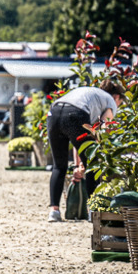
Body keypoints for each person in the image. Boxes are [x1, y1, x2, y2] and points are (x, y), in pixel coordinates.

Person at [46, 79, 124, 222]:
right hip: (76, 114)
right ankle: (92, 211)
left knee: (59, 166)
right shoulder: (110, 101)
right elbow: (100, 131)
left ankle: (54, 211)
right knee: (93, 166)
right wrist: (85, 165)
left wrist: (78, 166)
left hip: (54, 113)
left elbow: (81, 141)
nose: (118, 106)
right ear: (117, 97)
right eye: (120, 103)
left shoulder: (90, 93)